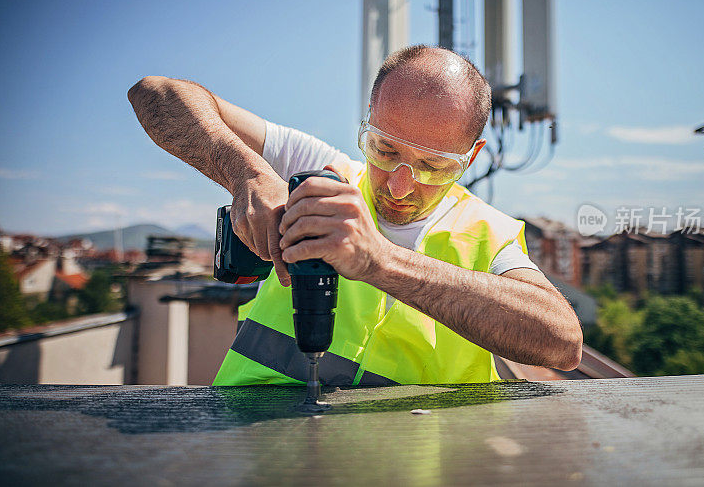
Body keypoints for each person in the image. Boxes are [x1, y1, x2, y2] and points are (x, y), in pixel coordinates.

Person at [128, 45, 582, 385]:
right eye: (385, 150)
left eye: (434, 166)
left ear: (473, 155)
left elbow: (562, 344)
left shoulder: (490, 232)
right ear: (368, 120)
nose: (401, 185)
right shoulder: (317, 175)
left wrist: (381, 261)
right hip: (259, 451)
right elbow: (156, 93)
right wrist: (245, 172)